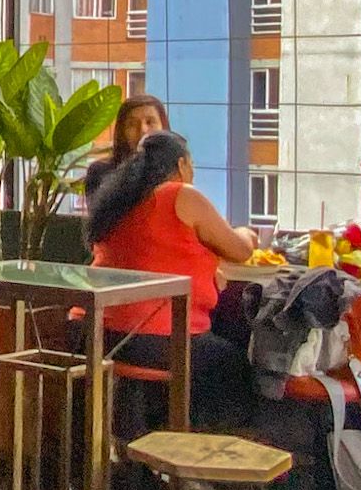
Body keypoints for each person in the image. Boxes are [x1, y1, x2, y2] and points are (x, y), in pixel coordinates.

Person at [86, 129, 256, 428]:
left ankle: (148, 452)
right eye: (191, 167)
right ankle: (200, 456)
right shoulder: (180, 194)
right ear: (181, 166)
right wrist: (247, 234)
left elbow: (153, 251)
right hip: (155, 338)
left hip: (97, 332)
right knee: (234, 363)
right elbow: (239, 250)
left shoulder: (118, 201)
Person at [82, 92, 170, 203]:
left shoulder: (175, 170)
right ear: (122, 131)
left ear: (164, 127)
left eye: (150, 122)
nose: (143, 130)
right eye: (132, 124)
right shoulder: (100, 172)